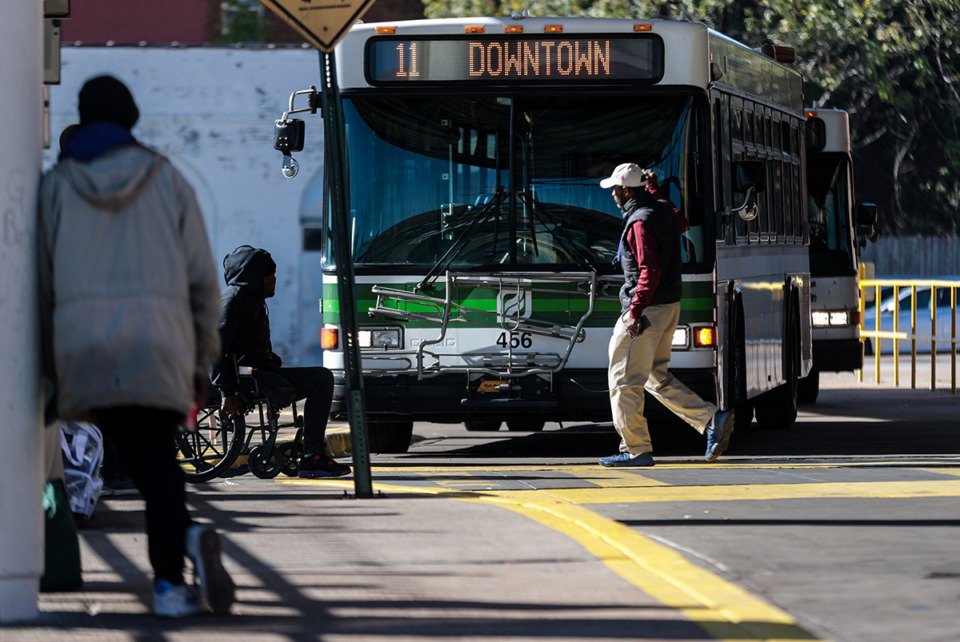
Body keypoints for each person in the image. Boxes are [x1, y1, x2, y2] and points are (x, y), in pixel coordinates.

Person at [38, 75, 235, 617]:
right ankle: (172, 580)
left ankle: (184, 547)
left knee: (138, 453)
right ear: (130, 119)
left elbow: (42, 281)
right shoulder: (168, 179)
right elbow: (201, 279)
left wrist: (47, 361)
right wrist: (201, 357)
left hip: (86, 347)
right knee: (156, 454)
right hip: (159, 342)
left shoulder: (55, 186)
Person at [598, 163, 734, 467]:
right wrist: (657, 189)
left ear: (625, 190)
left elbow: (649, 271)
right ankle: (712, 419)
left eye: (616, 190)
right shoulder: (659, 210)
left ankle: (635, 449)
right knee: (655, 377)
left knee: (623, 381)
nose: (614, 196)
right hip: (670, 307)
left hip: (646, 311)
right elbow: (681, 221)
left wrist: (634, 311)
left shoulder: (639, 222)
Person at [212, 246, 351, 479]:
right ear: (257, 277)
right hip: (247, 379)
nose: (275, 281)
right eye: (271, 276)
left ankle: (312, 456)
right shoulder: (234, 301)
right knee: (322, 378)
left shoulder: (249, 299)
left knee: (319, 377)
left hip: (258, 373)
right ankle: (313, 457)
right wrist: (227, 392)